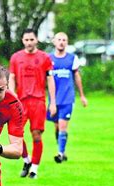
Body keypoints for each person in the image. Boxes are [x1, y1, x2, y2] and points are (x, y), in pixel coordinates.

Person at [9, 29, 56, 179]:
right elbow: (11, 77)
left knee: (36, 135)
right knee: (15, 134)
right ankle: (26, 160)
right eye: (26, 40)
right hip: (21, 102)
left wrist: (52, 102)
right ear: (23, 41)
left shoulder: (44, 57)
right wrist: (11, 95)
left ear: (36, 40)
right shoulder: (16, 57)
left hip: (38, 101)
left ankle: (34, 169)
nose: (29, 42)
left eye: (31, 39)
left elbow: (50, 79)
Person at [47, 32, 88, 163]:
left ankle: (60, 153)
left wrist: (82, 95)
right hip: (53, 100)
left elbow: (77, 76)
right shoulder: (48, 59)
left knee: (63, 126)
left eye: (64, 40)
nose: (61, 42)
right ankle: (61, 150)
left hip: (67, 99)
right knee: (57, 127)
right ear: (54, 42)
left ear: (67, 42)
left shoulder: (72, 58)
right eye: (59, 39)